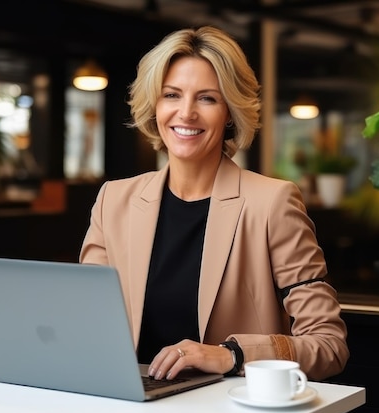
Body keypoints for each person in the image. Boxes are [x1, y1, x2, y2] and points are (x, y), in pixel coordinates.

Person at [79, 26, 349, 382]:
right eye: (171, 95)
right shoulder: (114, 200)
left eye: (207, 98)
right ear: (154, 105)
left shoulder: (272, 203)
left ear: (230, 113)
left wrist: (231, 355)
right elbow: (86, 322)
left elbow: (329, 346)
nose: (186, 113)